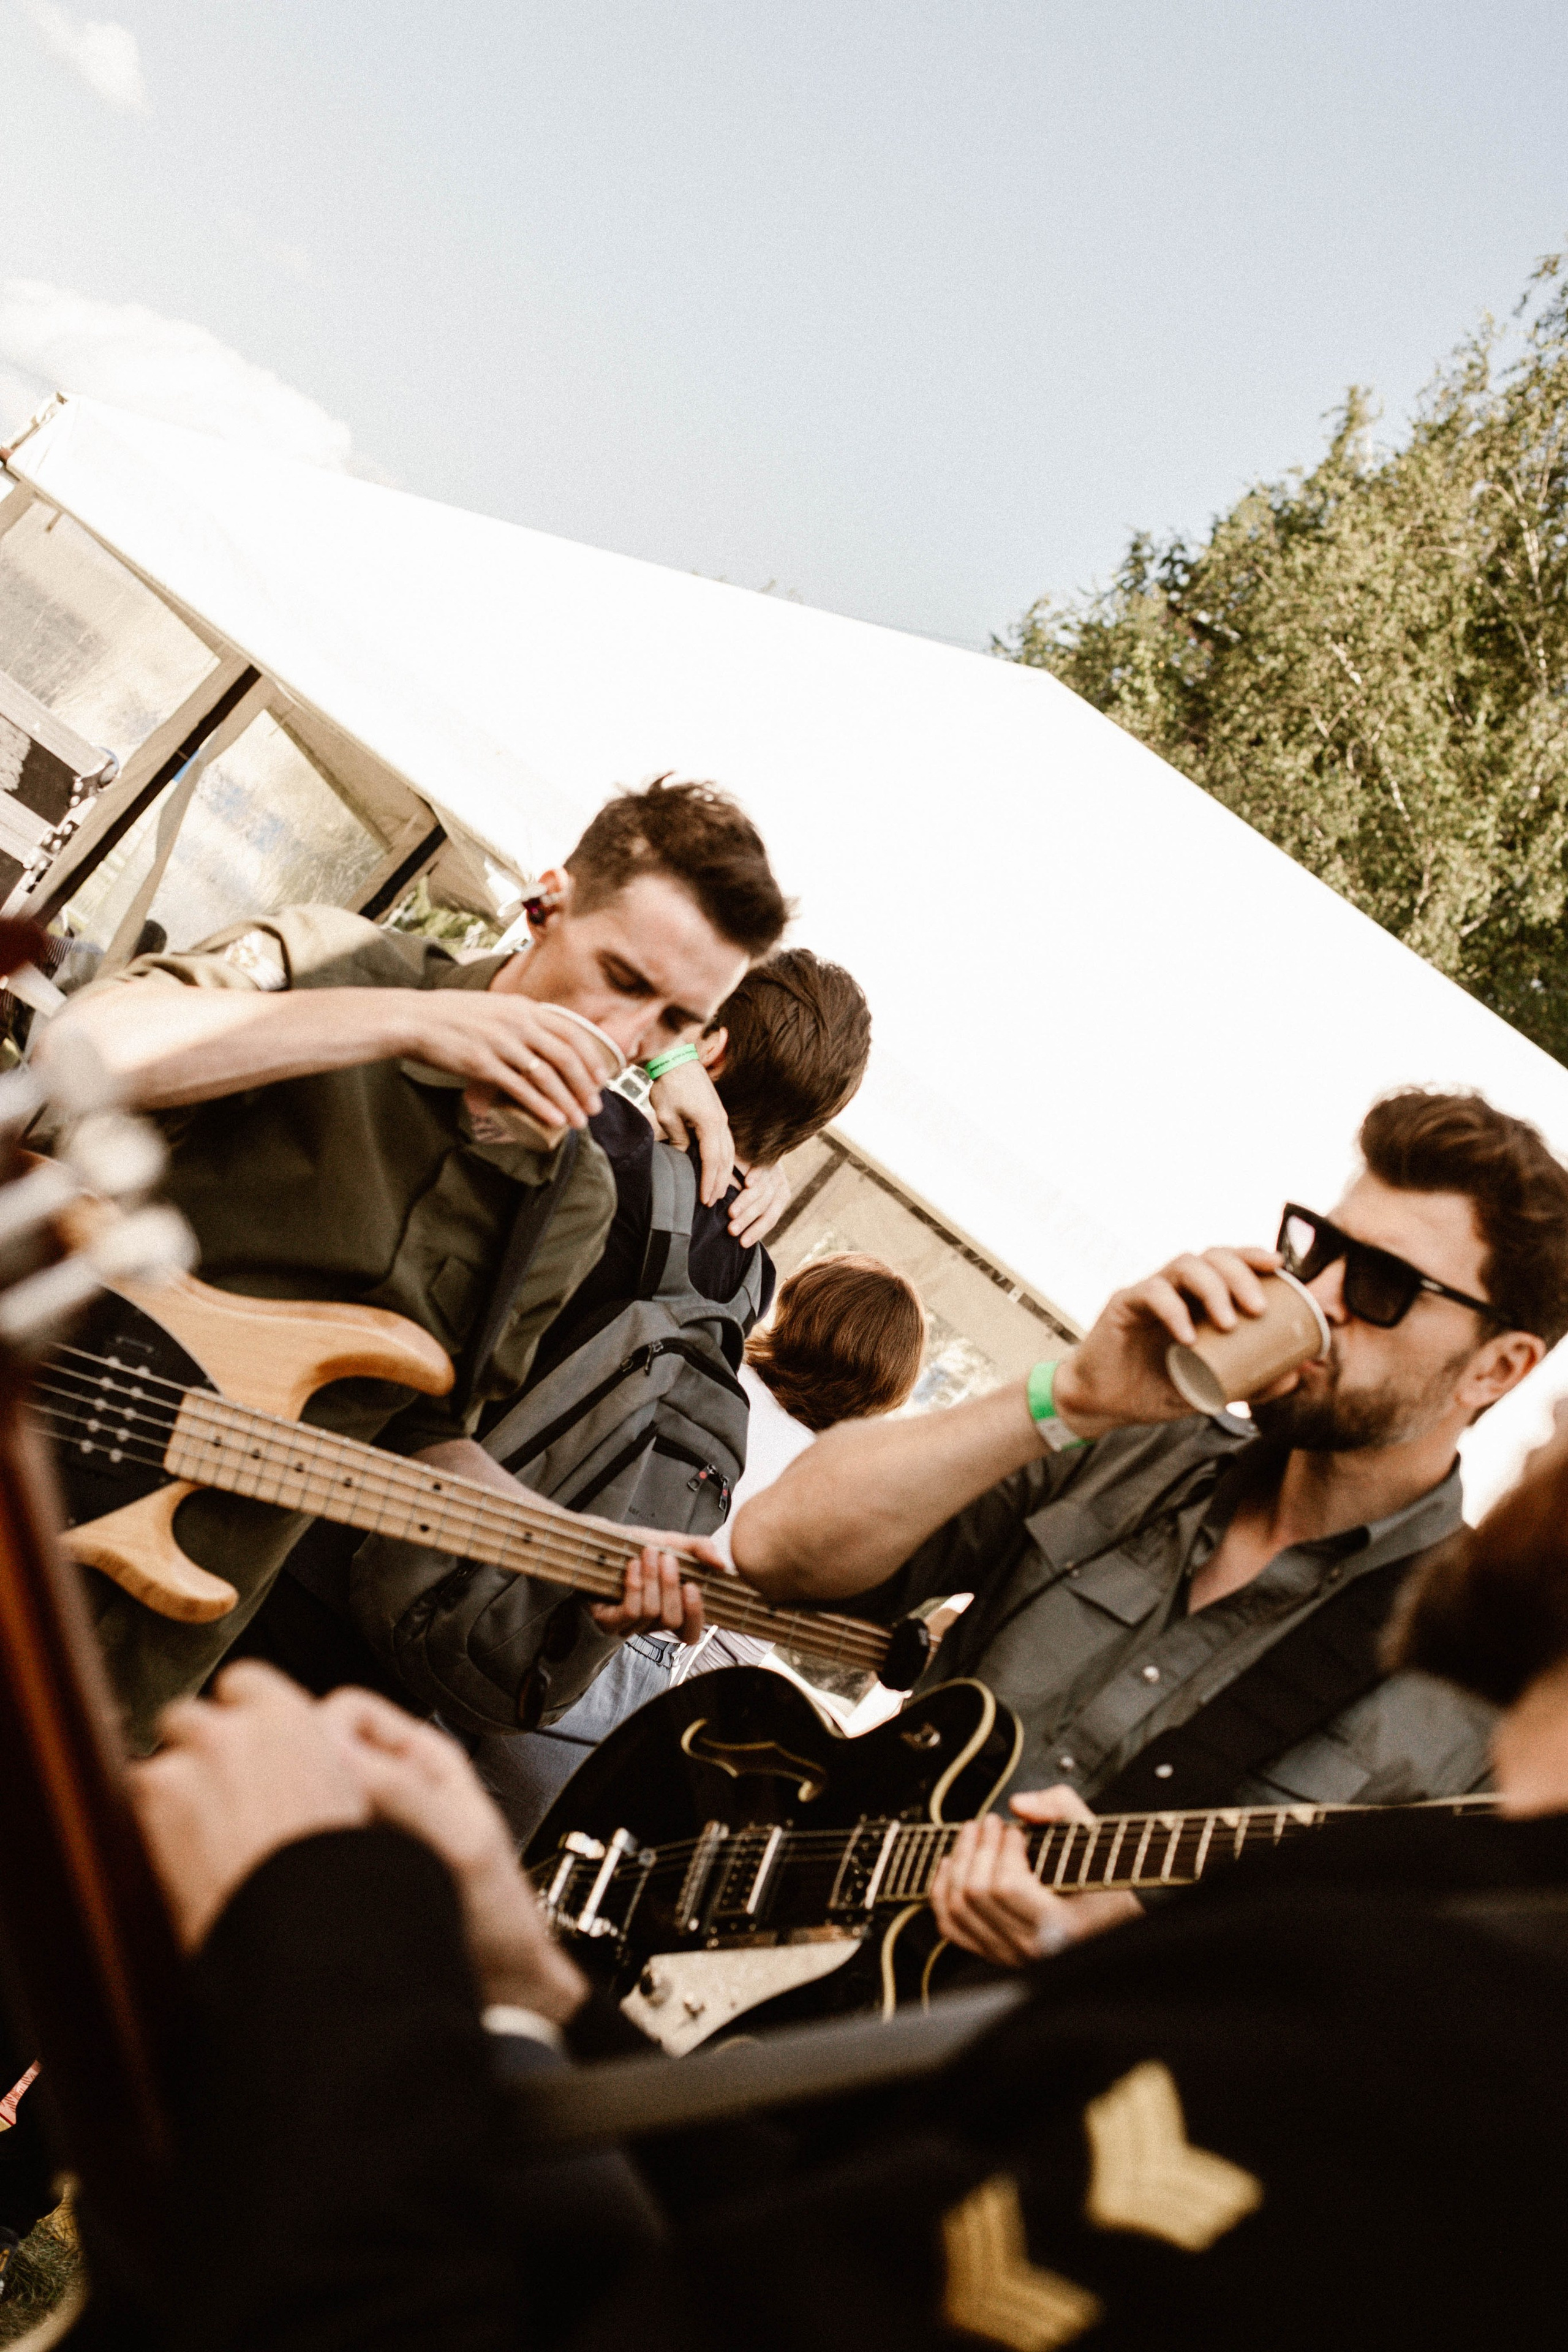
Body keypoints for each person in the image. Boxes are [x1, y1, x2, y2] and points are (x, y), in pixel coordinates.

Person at [120, 1404, 1568, 2350]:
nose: (1551, 1421)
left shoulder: (1429, 2040)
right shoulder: (1431, 1955)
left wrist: (317, 1917)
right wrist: (530, 1982)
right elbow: (849, 2239)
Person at [713, 1088, 1568, 1961]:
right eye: (1320, 1249)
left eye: (1385, 1284)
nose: (1324, 1298)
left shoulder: (1485, 1681)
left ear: (1496, 1368)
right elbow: (776, 1547)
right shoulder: (1127, 1444)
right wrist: (1070, 1394)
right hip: (777, 1959)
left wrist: (1141, 1947)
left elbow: (1392, 2023)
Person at [39, 778, 789, 1747]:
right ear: (544, 904)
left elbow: (423, 1438)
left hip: (128, 1660)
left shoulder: (575, 1201)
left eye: (679, 1025)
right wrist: (408, 1020)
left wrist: (586, 1549)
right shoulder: (337, 962)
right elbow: (83, 1049)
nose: (631, 1039)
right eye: (624, 978)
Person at [460, 1251, 927, 1839]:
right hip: (632, 1658)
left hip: (516, 1582)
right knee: (483, 1863)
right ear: (886, 1387)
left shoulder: (702, 1365)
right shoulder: (823, 1491)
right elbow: (732, 1650)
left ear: (798, 1309)